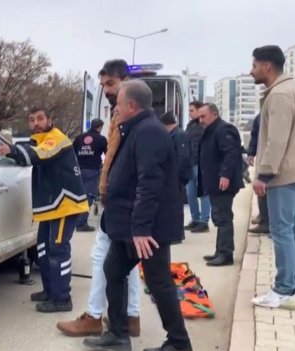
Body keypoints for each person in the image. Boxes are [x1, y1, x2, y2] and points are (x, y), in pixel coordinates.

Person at [83, 80, 191, 351]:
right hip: (132, 223)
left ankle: (179, 343)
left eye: (118, 104)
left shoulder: (148, 132)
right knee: (113, 270)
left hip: (148, 228)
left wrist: (141, 228)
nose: (115, 109)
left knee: (158, 281)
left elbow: (150, 181)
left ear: (131, 105)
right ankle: (118, 335)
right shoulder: (136, 129)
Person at [57, 60, 141, 338]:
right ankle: (130, 316)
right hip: (117, 198)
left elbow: (120, 162)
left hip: (121, 200)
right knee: (124, 262)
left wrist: (109, 192)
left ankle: (95, 315)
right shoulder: (120, 115)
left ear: (125, 82)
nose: (106, 90)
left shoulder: (128, 117)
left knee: (104, 258)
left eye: (110, 84)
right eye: (103, 84)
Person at [0, 107, 89, 313]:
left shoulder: (55, 138)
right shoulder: (38, 139)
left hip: (65, 204)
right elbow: (31, 154)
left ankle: (62, 298)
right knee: (43, 250)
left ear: (49, 120)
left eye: (40, 118)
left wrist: (13, 150)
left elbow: (40, 155)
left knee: (58, 251)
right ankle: (50, 291)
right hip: (51, 206)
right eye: (32, 120)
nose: (36, 123)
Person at [250, 45, 295, 309]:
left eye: (254, 65)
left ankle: (284, 290)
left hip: (284, 173)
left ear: (267, 66)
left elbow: (276, 140)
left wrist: (263, 175)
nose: (251, 70)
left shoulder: (278, 94)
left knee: (282, 231)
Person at [196, 104, 244, 267]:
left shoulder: (224, 129)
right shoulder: (212, 130)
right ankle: (220, 251)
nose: (200, 120)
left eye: (203, 116)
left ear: (214, 114)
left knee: (223, 217)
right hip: (215, 182)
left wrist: (225, 175)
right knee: (219, 216)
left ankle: (225, 254)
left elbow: (231, 153)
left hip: (223, 182)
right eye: (199, 117)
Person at [72, 118, 108, 232]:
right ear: (100, 127)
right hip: (92, 170)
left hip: (78, 170)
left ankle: (75, 221)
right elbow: (108, 154)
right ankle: (81, 223)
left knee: (79, 196)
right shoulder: (101, 139)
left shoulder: (79, 138)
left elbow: (72, 152)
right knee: (89, 196)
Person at [185, 101, 211, 233]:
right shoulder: (190, 126)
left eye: (191, 111)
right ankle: (195, 218)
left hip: (201, 164)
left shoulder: (204, 125)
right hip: (190, 164)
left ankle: (204, 221)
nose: (189, 113)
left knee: (203, 193)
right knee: (190, 193)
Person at [247, 113, 270, 234]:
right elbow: (255, 135)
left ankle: (266, 222)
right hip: (264, 156)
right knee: (262, 192)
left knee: (263, 189)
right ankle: (264, 218)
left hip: (268, 159)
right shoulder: (261, 116)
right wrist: (251, 153)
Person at [160, 111, 193, 189]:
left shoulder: (179, 135)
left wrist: (176, 176)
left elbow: (183, 157)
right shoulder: (174, 134)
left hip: (178, 177)